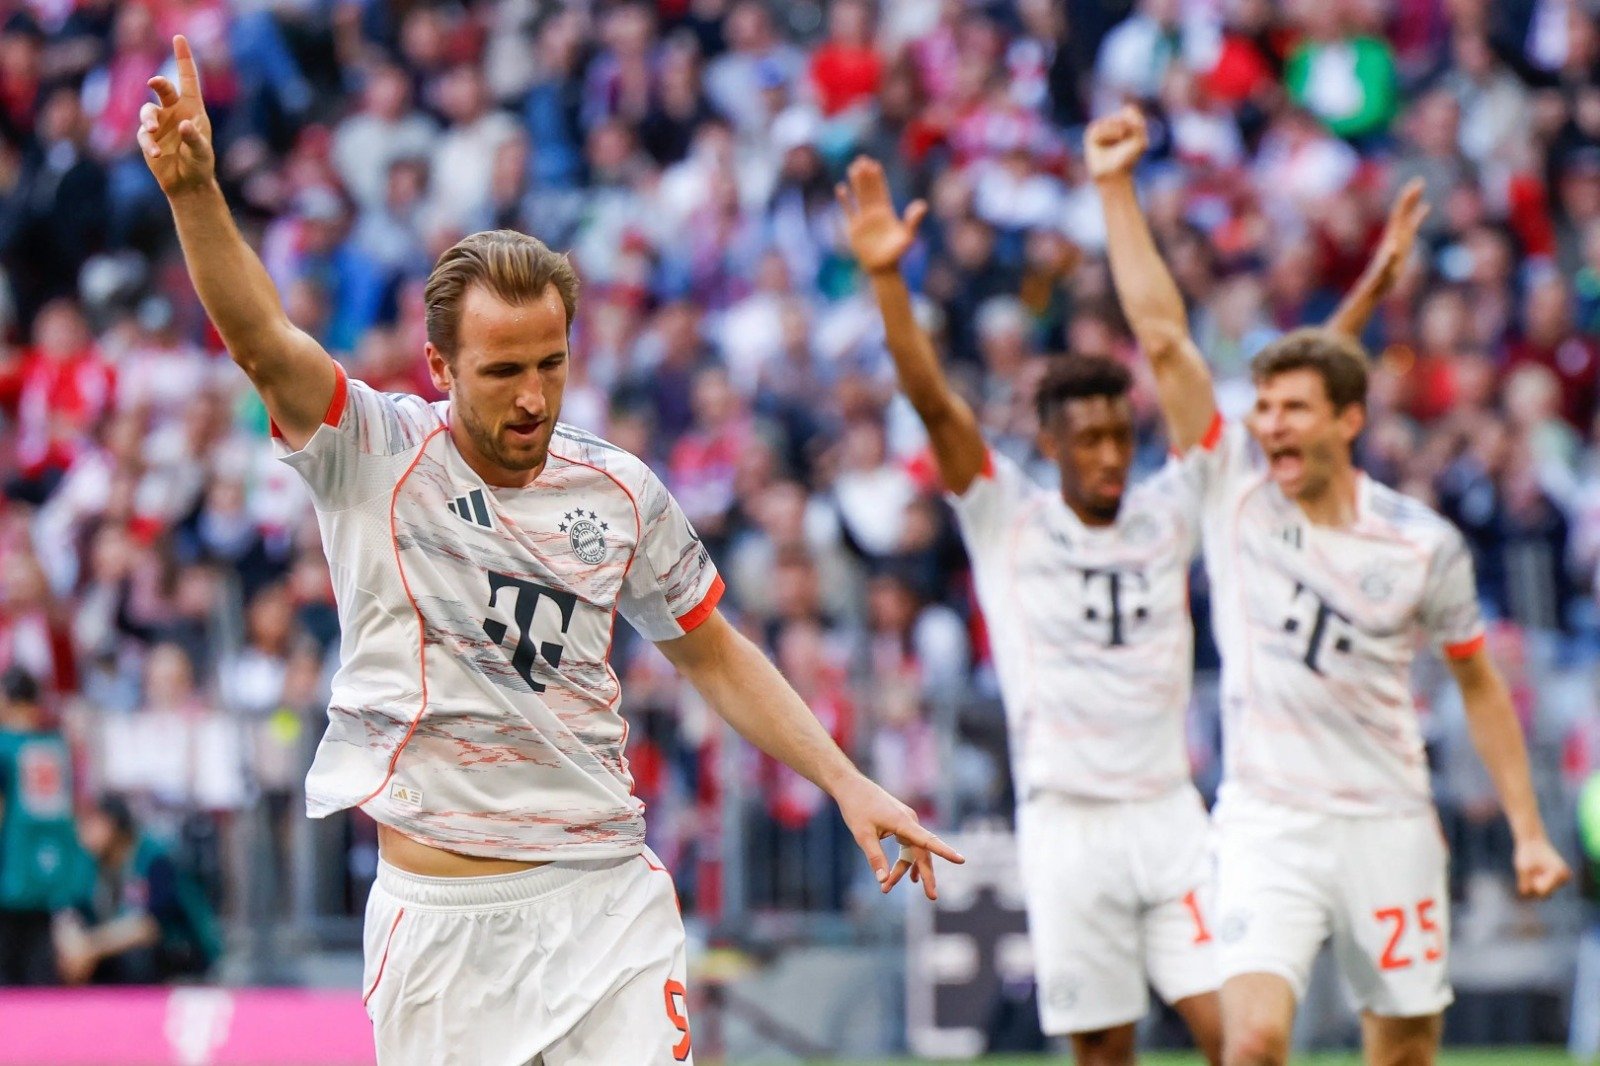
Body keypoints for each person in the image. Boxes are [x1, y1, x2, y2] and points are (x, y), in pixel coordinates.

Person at [137, 36, 961, 1065]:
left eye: (552, 364)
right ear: (438, 366)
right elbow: (264, 341)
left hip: (604, 900)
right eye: (501, 371)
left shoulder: (618, 490)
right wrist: (195, 193)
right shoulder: (375, 450)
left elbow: (712, 649)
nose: (532, 395)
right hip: (442, 925)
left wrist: (848, 780)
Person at [1089, 105, 1571, 1066]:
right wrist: (1114, 188)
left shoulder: (1422, 543)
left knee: (1402, 1053)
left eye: (1292, 411)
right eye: (1260, 411)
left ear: (1350, 423)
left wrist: (1526, 828)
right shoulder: (1233, 493)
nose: (1267, 427)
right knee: (1253, 1043)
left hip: (1389, 818)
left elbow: (1478, 684)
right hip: (1267, 820)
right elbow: (1167, 339)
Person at [838, 154, 1222, 1066]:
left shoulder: (1173, 510)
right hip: (1066, 819)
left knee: (1242, 1038)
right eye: (1086, 438)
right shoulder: (1008, 514)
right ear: (1049, 443)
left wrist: (1118, 191)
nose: (1108, 456)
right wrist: (890, 281)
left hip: (1171, 812)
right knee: (1101, 1054)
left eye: (1118, 437)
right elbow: (932, 399)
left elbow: (1169, 348)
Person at [53, 794, 223, 985]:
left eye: (90, 824)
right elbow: (68, 908)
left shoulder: (155, 858)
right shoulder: (88, 861)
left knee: (136, 956)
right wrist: (72, 943)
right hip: (107, 946)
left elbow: (149, 927)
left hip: (176, 949)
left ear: (113, 825)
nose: (82, 833)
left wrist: (90, 947)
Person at [0, 667, 78, 985]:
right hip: (49, 869)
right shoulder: (56, 746)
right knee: (40, 970)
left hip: (10, 868)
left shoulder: (5, 747)